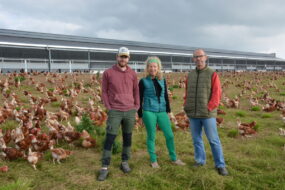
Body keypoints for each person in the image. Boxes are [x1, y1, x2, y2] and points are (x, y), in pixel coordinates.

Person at [184, 49, 229, 176]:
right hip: (193, 114)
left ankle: (220, 165)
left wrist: (210, 107)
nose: (198, 59)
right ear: (193, 59)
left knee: (213, 140)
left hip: (207, 114)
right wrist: (186, 105)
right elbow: (187, 92)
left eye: (200, 56)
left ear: (206, 57)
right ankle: (199, 161)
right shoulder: (191, 74)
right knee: (196, 139)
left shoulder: (212, 73)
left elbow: (217, 93)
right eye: (196, 57)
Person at [98, 47, 140, 181]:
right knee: (110, 138)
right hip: (115, 110)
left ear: (129, 58)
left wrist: (136, 107)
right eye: (121, 56)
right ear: (117, 57)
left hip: (129, 110)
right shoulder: (108, 73)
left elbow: (136, 91)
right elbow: (104, 91)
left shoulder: (133, 74)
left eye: (125, 57)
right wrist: (109, 107)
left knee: (128, 138)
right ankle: (104, 167)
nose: (123, 59)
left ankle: (124, 162)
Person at [138, 56, 185, 168]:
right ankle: (153, 160)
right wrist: (140, 115)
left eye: (155, 66)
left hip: (162, 111)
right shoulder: (143, 81)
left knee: (170, 135)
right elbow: (139, 99)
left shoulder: (162, 80)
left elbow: (165, 96)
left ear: (158, 68)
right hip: (149, 111)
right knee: (151, 136)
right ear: (147, 68)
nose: (152, 69)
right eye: (150, 66)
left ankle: (174, 158)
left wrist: (169, 111)